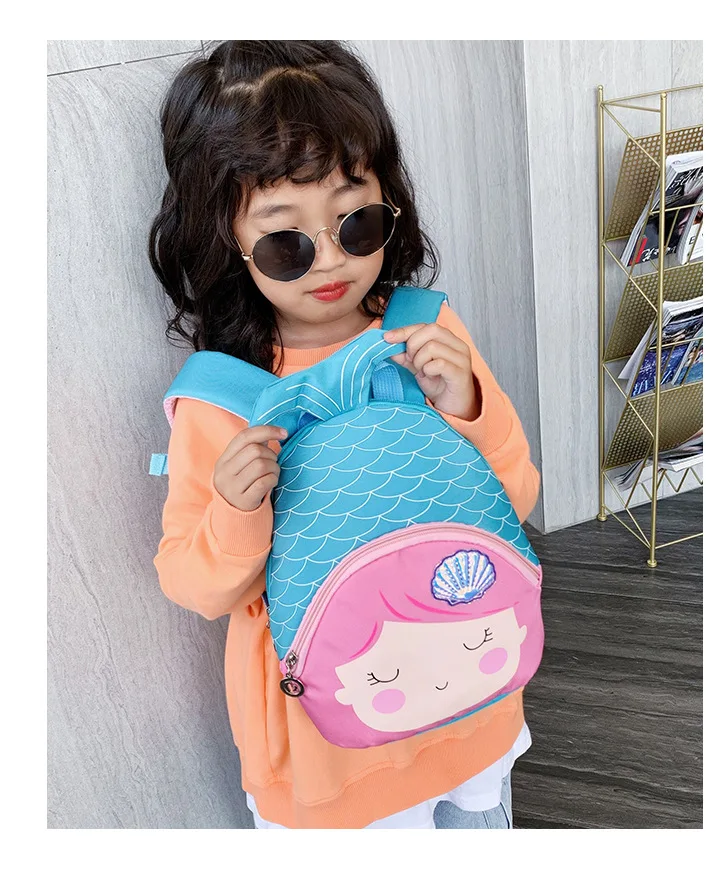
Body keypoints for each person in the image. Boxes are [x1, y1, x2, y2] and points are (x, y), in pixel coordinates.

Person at [149, 40, 540, 830]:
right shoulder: (222, 400)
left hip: (473, 702)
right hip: (328, 758)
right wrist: (236, 507)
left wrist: (467, 402)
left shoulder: (424, 334)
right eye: (286, 242)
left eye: (356, 223)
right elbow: (197, 586)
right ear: (226, 239)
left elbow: (514, 501)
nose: (330, 261)